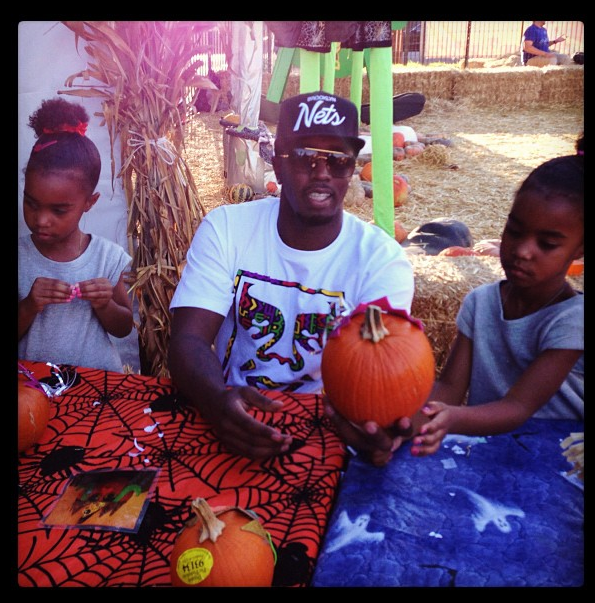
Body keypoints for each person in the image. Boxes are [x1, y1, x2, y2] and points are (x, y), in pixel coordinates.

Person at [169, 91, 415, 464]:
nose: (322, 172)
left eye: (338, 160)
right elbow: (188, 340)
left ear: (352, 169)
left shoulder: (381, 260)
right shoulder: (227, 229)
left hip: (330, 427)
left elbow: (382, 370)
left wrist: (376, 428)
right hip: (234, 412)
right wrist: (217, 402)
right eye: (304, 156)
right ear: (278, 164)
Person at [409, 137, 584, 457]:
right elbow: (449, 388)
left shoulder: (573, 320)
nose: (523, 251)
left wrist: (451, 419)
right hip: (491, 454)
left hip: (560, 459)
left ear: (580, 250)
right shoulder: (481, 303)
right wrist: (401, 417)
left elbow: (518, 406)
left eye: (547, 244)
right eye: (514, 232)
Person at [18, 98, 134, 373]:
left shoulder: (106, 257)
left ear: (89, 203)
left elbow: (123, 327)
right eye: (31, 203)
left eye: (58, 210)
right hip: (32, 384)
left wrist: (105, 304)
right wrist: (29, 305)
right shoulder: (21, 257)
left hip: (97, 384)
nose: (41, 220)